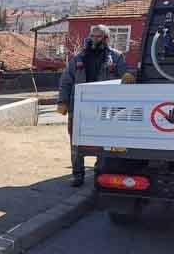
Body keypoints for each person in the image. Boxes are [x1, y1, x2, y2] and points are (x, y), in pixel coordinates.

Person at [57, 24, 134, 186]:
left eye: (98, 36)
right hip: (78, 108)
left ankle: (99, 172)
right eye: (92, 36)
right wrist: (62, 102)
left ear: (106, 38)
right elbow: (66, 81)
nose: (94, 39)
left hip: (105, 109)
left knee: (103, 142)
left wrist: (128, 77)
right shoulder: (78, 58)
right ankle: (78, 175)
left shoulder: (116, 57)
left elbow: (125, 76)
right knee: (76, 142)